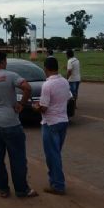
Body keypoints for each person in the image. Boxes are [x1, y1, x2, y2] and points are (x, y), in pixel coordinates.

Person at [0, 52, 38, 199]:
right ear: (3, 62)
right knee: (18, 158)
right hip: (10, 123)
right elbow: (27, 88)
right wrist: (21, 104)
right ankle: (22, 190)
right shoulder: (11, 75)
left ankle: (3, 189)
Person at [34, 57, 71, 195]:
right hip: (63, 121)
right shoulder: (64, 82)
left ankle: (58, 185)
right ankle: (54, 181)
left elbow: (43, 108)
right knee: (56, 153)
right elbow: (67, 98)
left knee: (52, 156)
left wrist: (35, 107)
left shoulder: (47, 85)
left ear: (46, 68)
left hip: (50, 123)